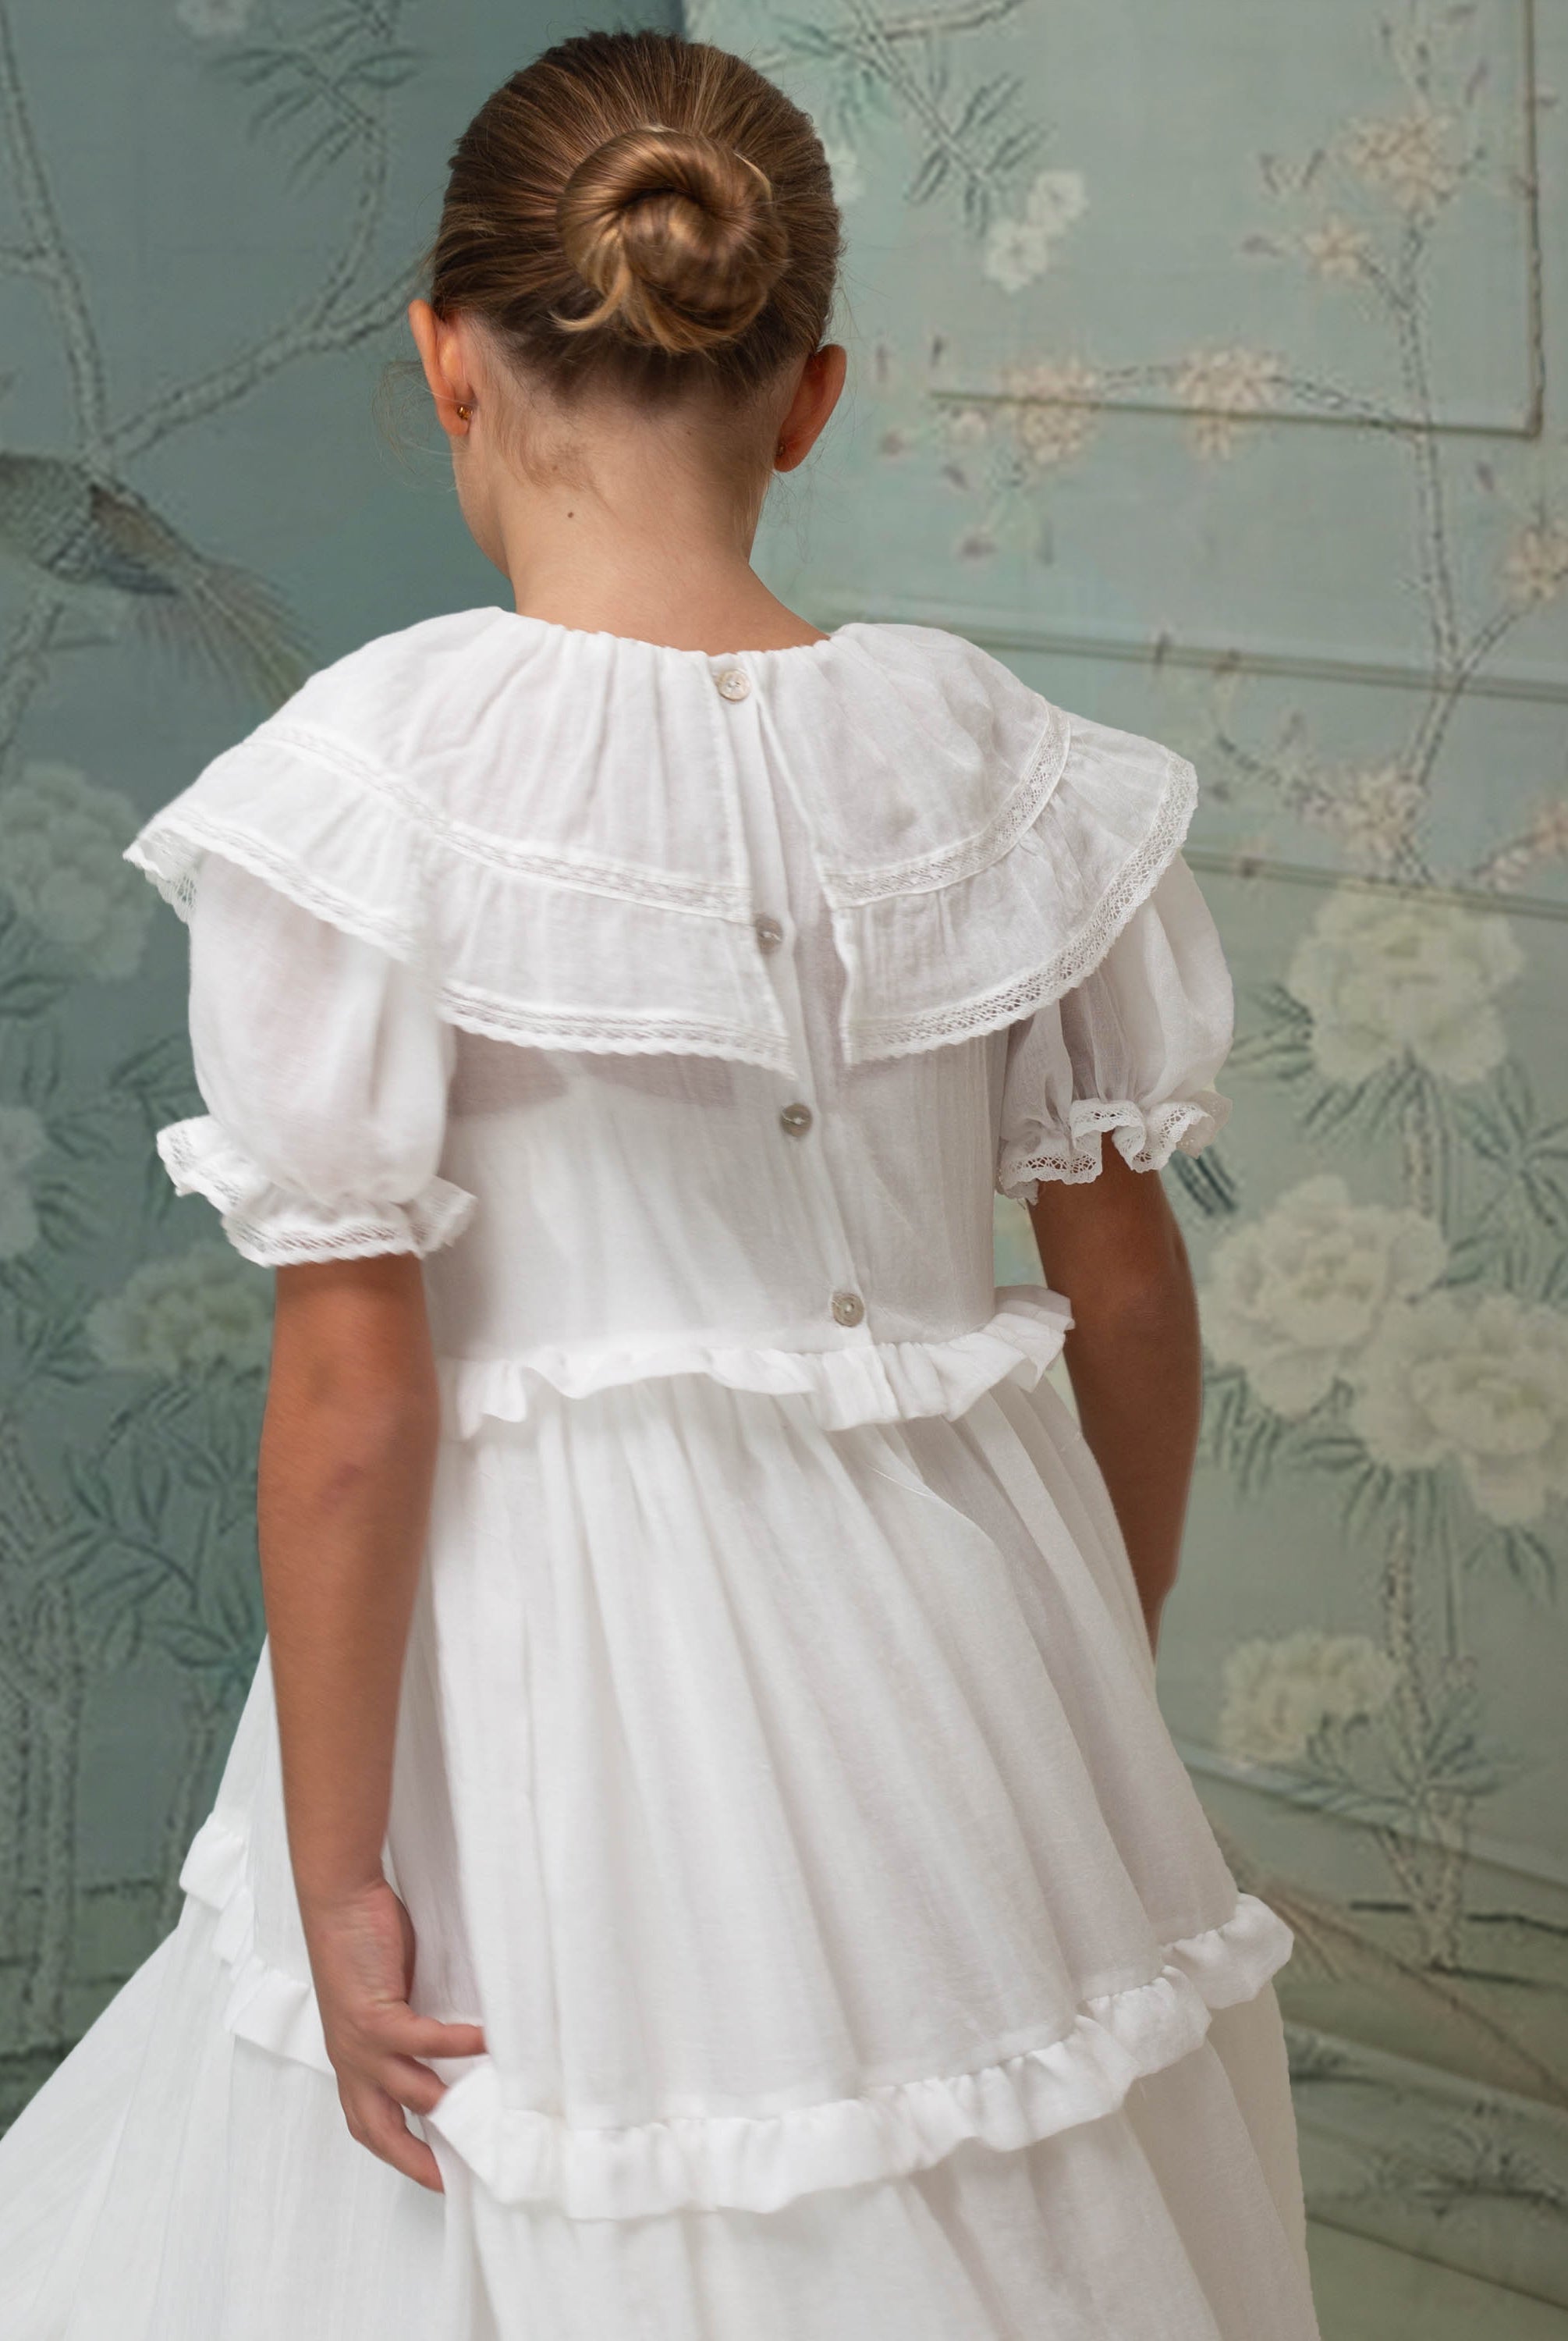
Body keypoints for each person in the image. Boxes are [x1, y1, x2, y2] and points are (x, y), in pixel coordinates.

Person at [0, 29, 1321, 2339]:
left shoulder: (370, 785)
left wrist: (334, 1880)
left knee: (566, 2183)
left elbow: (354, 1406)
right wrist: (1083, 1665)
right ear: (809, 396)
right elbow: (1125, 1300)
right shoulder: (995, 761)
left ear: (446, 358)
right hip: (969, 1641)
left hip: (553, 1680)